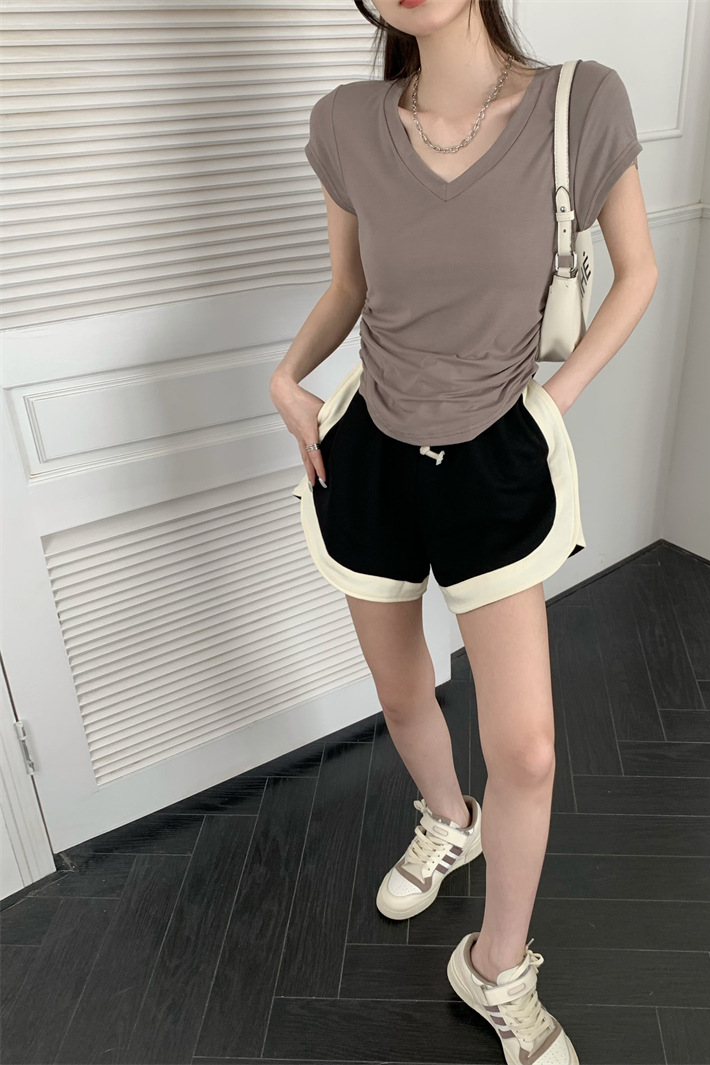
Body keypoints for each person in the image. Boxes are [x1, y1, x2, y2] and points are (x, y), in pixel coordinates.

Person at [271, 1, 658, 1061]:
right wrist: (285, 375)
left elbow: (638, 273)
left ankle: (494, 966)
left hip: (496, 453)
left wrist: (551, 408)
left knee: (525, 749)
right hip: (368, 451)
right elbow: (350, 284)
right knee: (403, 692)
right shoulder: (345, 121)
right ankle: (448, 818)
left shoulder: (581, 102)